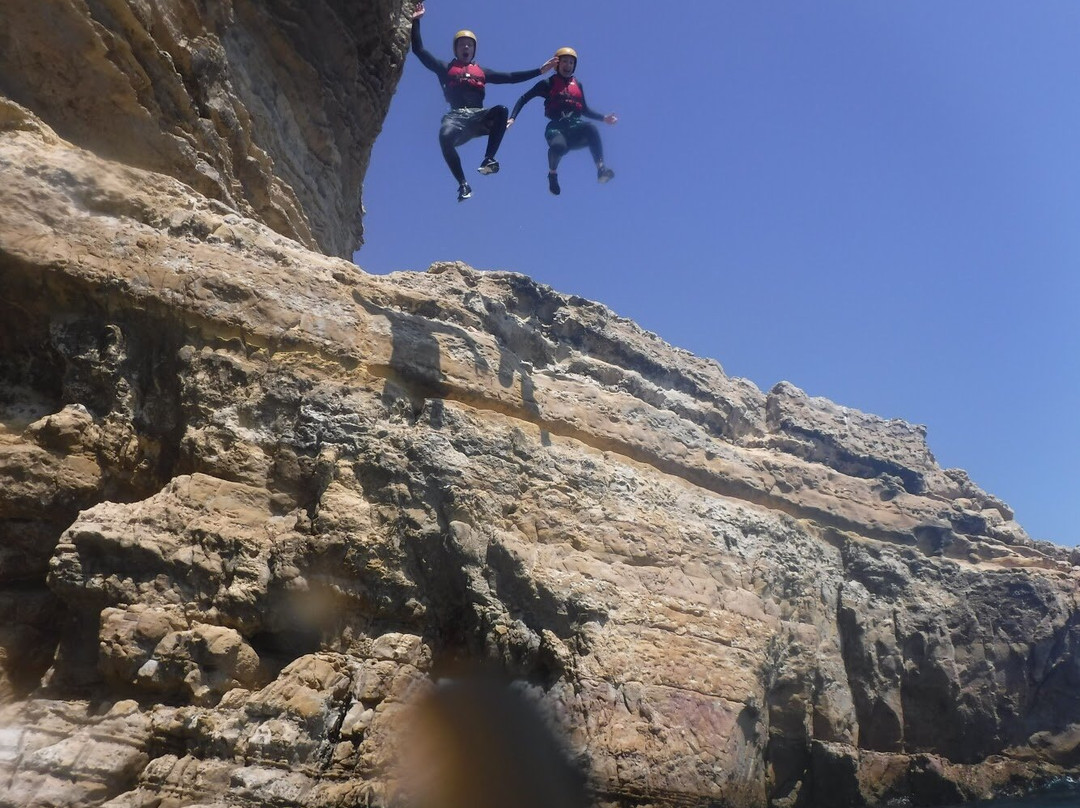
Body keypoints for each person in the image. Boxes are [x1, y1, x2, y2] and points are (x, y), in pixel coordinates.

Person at [411, 3, 557, 201]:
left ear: (473, 50)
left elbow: (511, 77)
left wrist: (539, 71)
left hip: (478, 117)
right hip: (456, 117)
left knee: (502, 110)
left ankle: (488, 159)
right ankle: (463, 184)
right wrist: (416, 21)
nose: (466, 47)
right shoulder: (445, 68)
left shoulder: (482, 72)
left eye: (469, 45)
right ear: (456, 49)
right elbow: (419, 50)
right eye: (462, 44)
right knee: (444, 137)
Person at [508, 47, 617, 196]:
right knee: (559, 146)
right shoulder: (547, 83)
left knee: (591, 129)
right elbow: (523, 98)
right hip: (557, 127)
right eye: (564, 61)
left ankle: (601, 169)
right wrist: (512, 117)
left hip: (575, 127)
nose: (568, 65)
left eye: (571, 63)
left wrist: (603, 118)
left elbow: (584, 109)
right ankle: (552, 174)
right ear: (557, 65)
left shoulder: (578, 85)